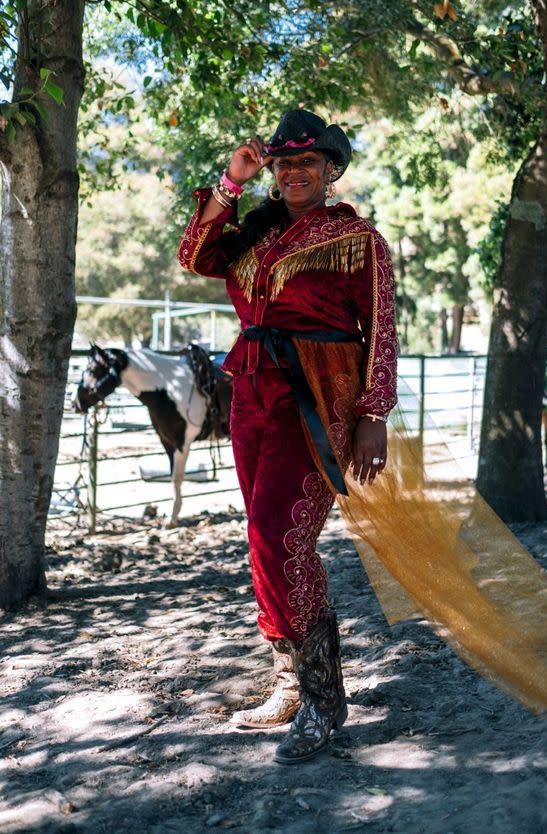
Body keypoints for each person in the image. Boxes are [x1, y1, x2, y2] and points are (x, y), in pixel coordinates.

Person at [178, 109, 398, 764]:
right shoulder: (252, 238)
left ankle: (324, 697)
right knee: (261, 540)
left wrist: (373, 415)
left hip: (316, 402)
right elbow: (195, 256)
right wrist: (230, 181)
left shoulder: (358, 240)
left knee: (284, 538)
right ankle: (287, 680)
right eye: (283, 164)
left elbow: (381, 331)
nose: (295, 172)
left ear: (330, 171)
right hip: (250, 396)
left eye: (309, 163)